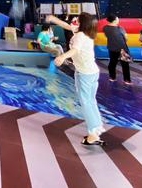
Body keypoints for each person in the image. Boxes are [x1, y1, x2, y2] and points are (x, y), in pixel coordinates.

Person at [48, 13, 106, 146]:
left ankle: (93, 134)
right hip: (92, 72)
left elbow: (75, 50)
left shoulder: (80, 36)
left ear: (82, 23)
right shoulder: (85, 32)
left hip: (84, 74)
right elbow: (66, 26)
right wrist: (53, 19)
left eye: (77, 19)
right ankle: (97, 127)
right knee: (90, 101)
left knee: (86, 103)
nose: (74, 20)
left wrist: (62, 57)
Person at [102, 14, 132, 84]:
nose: (118, 20)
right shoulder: (120, 28)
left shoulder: (105, 27)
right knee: (125, 64)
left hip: (112, 47)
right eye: (117, 19)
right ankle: (127, 80)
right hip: (122, 49)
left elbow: (107, 36)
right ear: (114, 20)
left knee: (112, 62)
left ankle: (112, 77)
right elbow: (126, 38)